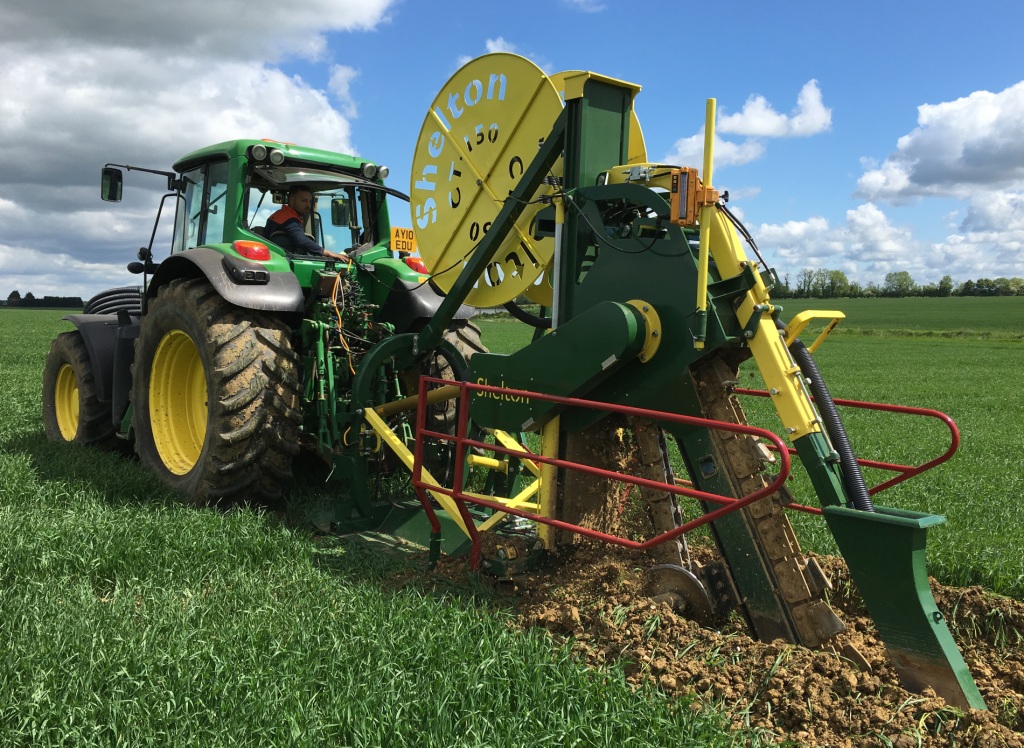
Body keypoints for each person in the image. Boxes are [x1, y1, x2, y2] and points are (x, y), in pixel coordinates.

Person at [264, 185, 349, 260]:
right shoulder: (290, 219)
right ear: (292, 200)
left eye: (310, 201)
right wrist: (327, 253)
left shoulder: (279, 215)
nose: (308, 205)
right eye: (304, 201)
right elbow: (301, 240)